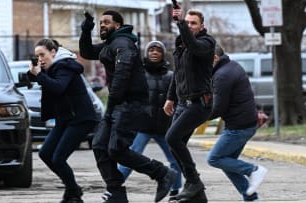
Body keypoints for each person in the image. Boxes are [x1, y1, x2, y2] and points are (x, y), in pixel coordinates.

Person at [79, 10, 177, 203]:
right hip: (118, 105)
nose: (102, 25)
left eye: (106, 22)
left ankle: (162, 173)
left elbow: (123, 75)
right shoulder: (111, 44)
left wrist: (112, 102)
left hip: (131, 104)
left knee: (116, 149)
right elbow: (87, 52)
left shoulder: (124, 43)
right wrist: (86, 29)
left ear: (118, 25)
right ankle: (116, 192)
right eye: (100, 23)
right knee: (99, 146)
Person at [28, 39, 101, 203]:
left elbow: (58, 87)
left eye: (42, 54)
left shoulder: (65, 66)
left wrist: (39, 75)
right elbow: (44, 83)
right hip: (65, 119)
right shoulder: (51, 68)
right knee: (45, 153)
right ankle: (73, 190)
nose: (40, 58)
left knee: (58, 159)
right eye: (37, 55)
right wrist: (33, 74)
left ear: (53, 52)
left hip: (80, 118)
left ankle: (74, 193)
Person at [117, 40, 182, 198]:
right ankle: (115, 184)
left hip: (164, 127)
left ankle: (175, 190)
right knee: (130, 157)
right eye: (151, 50)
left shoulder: (171, 76)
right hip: (142, 126)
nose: (154, 52)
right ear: (146, 53)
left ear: (162, 54)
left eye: (158, 50)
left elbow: (177, 99)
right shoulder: (139, 75)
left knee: (175, 159)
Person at [164, 8, 216, 202]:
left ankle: (194, 181)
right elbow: (178, 75)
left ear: (202, 26)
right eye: (188, 22)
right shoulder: (181, 44)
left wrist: (180, 23)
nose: (190, 25)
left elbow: (194, 46)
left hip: (199, 104)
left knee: (172, 138)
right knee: (175, 146)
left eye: (194, 23)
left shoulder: (206, 42)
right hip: (182, 104)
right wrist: (170, 98)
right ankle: (198, 195)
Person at [206, 45, 268, 202]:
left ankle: (253, 170)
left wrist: (196, 117)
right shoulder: (232, 65)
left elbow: (218, 108)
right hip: (246, 122)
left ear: (214, 58)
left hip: (239, 127)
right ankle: (251, 198)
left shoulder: (222, 75)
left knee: (214, 159)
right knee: (227, 163)